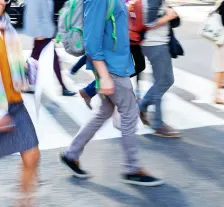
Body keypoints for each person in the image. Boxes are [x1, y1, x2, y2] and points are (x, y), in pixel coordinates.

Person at [60, 0, 163, 186]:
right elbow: (91, 40)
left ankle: (71, 154)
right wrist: (104, 76)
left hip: (116, 65)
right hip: (111, 68)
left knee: (103, 112)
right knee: (130, 113)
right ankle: (133, 168)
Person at [0, 0, 40, 205]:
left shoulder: (6, 26)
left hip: (13, 103)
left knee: (32, 155)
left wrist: (24, 69)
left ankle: (25, 203)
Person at [138, 0, 182, 138]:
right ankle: (158, 124)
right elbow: (149, 22)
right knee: (161, 81)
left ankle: (140, 107)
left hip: (156, 43)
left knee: (166, 80)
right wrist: (169, 16)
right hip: (155, 44)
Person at [24, 0, 76, 96]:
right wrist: (38, 32)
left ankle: (25, 82)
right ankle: (63, 87)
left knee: (34, 58)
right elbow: (32, 13)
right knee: (54, 59)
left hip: (45, 31)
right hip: (41, 33)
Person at [69, 44, 146, 109]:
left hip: (130, 37)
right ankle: (91, 90)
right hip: (127, 36)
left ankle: (89, 90)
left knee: (134, 66)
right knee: (127, 67)